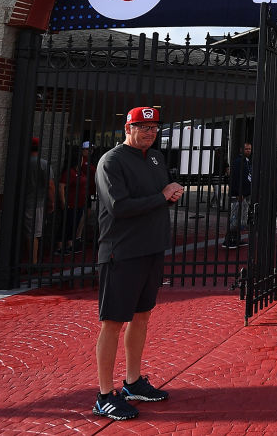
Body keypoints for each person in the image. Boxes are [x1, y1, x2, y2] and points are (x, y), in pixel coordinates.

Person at [92, 107, 183, 421]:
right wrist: (162, 196)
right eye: (143, 127)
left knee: (141, 317)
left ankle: (133, 382)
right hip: (122, 252)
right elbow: (119, 206)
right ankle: (104, 395)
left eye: (154, 127)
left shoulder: (156, 158)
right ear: (127, 128)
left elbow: (159, 193)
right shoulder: (111, 162)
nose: (150, 132)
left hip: (151, 249)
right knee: (113, 323)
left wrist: (170, 195)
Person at [56, 141, 96, 254]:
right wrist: (63, 202)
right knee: (68, 223)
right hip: (72, 201)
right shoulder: (73, 170)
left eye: (91, 149)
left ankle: (72, 242)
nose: (90, 151)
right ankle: (64, 245)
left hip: (81, 200)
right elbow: (61, 186)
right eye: (88, 149)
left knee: (75, 221)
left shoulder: (83, 169)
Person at [25, 137, 55, 264]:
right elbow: (50, 185)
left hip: (25, 201)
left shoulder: (24, 162)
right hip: (37, 202)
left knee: (28, 232)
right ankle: (34, 262)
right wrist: (52, 201)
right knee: (34, 234)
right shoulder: (43, 164)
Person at [223, 141, 252, 249]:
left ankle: (235, 238)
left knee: (240, 217)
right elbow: (236, 179)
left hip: (244, 193)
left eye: (249, 149)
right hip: (238, 194)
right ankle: (229, 240)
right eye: (246, 149)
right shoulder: (238, 162)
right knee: (235, 217)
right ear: (241, 150)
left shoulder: (247, 161)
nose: (248, 151)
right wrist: (239, 192)